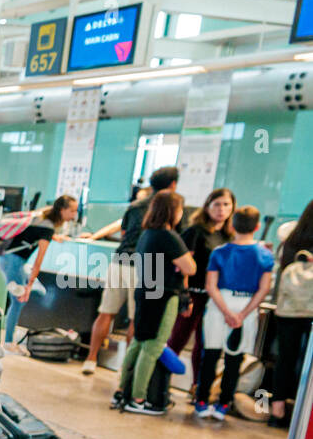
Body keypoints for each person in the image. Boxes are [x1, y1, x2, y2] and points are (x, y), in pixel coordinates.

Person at [81, 165, 180, 374]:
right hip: (145, 266)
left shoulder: (136, 205)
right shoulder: (169, 207)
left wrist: (96, 235)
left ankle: (90, 359)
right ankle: (127, 367)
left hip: (119, 261)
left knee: (105, 312)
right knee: (136, 318)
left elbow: (124, 230)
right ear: (173, 184)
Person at [113, 190, 195, 415]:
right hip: (164, 295)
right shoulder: (169, 237)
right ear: (173, 212)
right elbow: (191, 268)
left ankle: (122, 390)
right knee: (153, 347)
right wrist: (180, 263)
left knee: (139, 342)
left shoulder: (147, 234)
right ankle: (139, 399)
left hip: (145, 292)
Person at [195, 206, 274, 421]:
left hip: (220, 303)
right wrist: (242, 314)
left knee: (210, 355)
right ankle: (223, 405)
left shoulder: (219, 252)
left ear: (232, 225)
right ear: (257, 227)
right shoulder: (265, 255)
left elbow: (210, 285)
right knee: (234, 359)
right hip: (247, 305)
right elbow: (264, 288)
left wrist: (226, 312)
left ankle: (201, 401)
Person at [166, 188, 234, 393]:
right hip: (192, 293)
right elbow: (183, 266)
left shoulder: (228, 236)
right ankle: (160, 381)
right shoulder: (195, 231)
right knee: (177, 339)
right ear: (207, 206)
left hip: (214, 297)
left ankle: (198, 388)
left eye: (226, 205)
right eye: (217, 204)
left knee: (205, 345)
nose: (221, 209)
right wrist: (185, 295)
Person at [0, 194, 77, 352]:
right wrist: (30, 284)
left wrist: (53, 237)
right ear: (62, 210)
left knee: (27, 296)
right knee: (18, 301)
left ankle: (10, 337)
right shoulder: (47, 226)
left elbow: (34, 233)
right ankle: (8, 341)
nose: (74, 215)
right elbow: (38, 261)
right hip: (14, 262)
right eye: (72, 211)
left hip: (8, 259)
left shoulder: (42, 220)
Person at [268, 200, 313, 428]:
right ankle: (303, 413)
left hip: (288, 311)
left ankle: (277, 411)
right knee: (308, 363)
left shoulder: (291, 241)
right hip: (309, 311)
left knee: (285, 358)